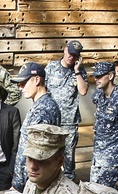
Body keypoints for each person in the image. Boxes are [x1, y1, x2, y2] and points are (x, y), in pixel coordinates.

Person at [11, 62, 60, 193]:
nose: (20, 88)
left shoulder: (43, 110)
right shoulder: (41, 105)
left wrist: (18, 184)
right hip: (29, 180)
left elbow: (37, 151)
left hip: (32, 180)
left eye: (24, 83)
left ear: (37, 79)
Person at [45, 40, 89, 181]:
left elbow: (83, 91)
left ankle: (69, 182)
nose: (71, 57)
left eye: (75, 55)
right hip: (52, 120)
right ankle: (50, 180)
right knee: (50, 153)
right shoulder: (51, 68)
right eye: (70, 53)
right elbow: (42, 91)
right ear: (64, 50)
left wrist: (77, 71)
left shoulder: (80, 71)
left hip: (69, 121)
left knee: (68, 155)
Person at [90, 60, 118, 187]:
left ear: (111, 76)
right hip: (98, 156)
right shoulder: (98, 95)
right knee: (92, 191)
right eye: (95, 76)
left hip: (113, 158)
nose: (96, 79)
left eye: (100, 76)